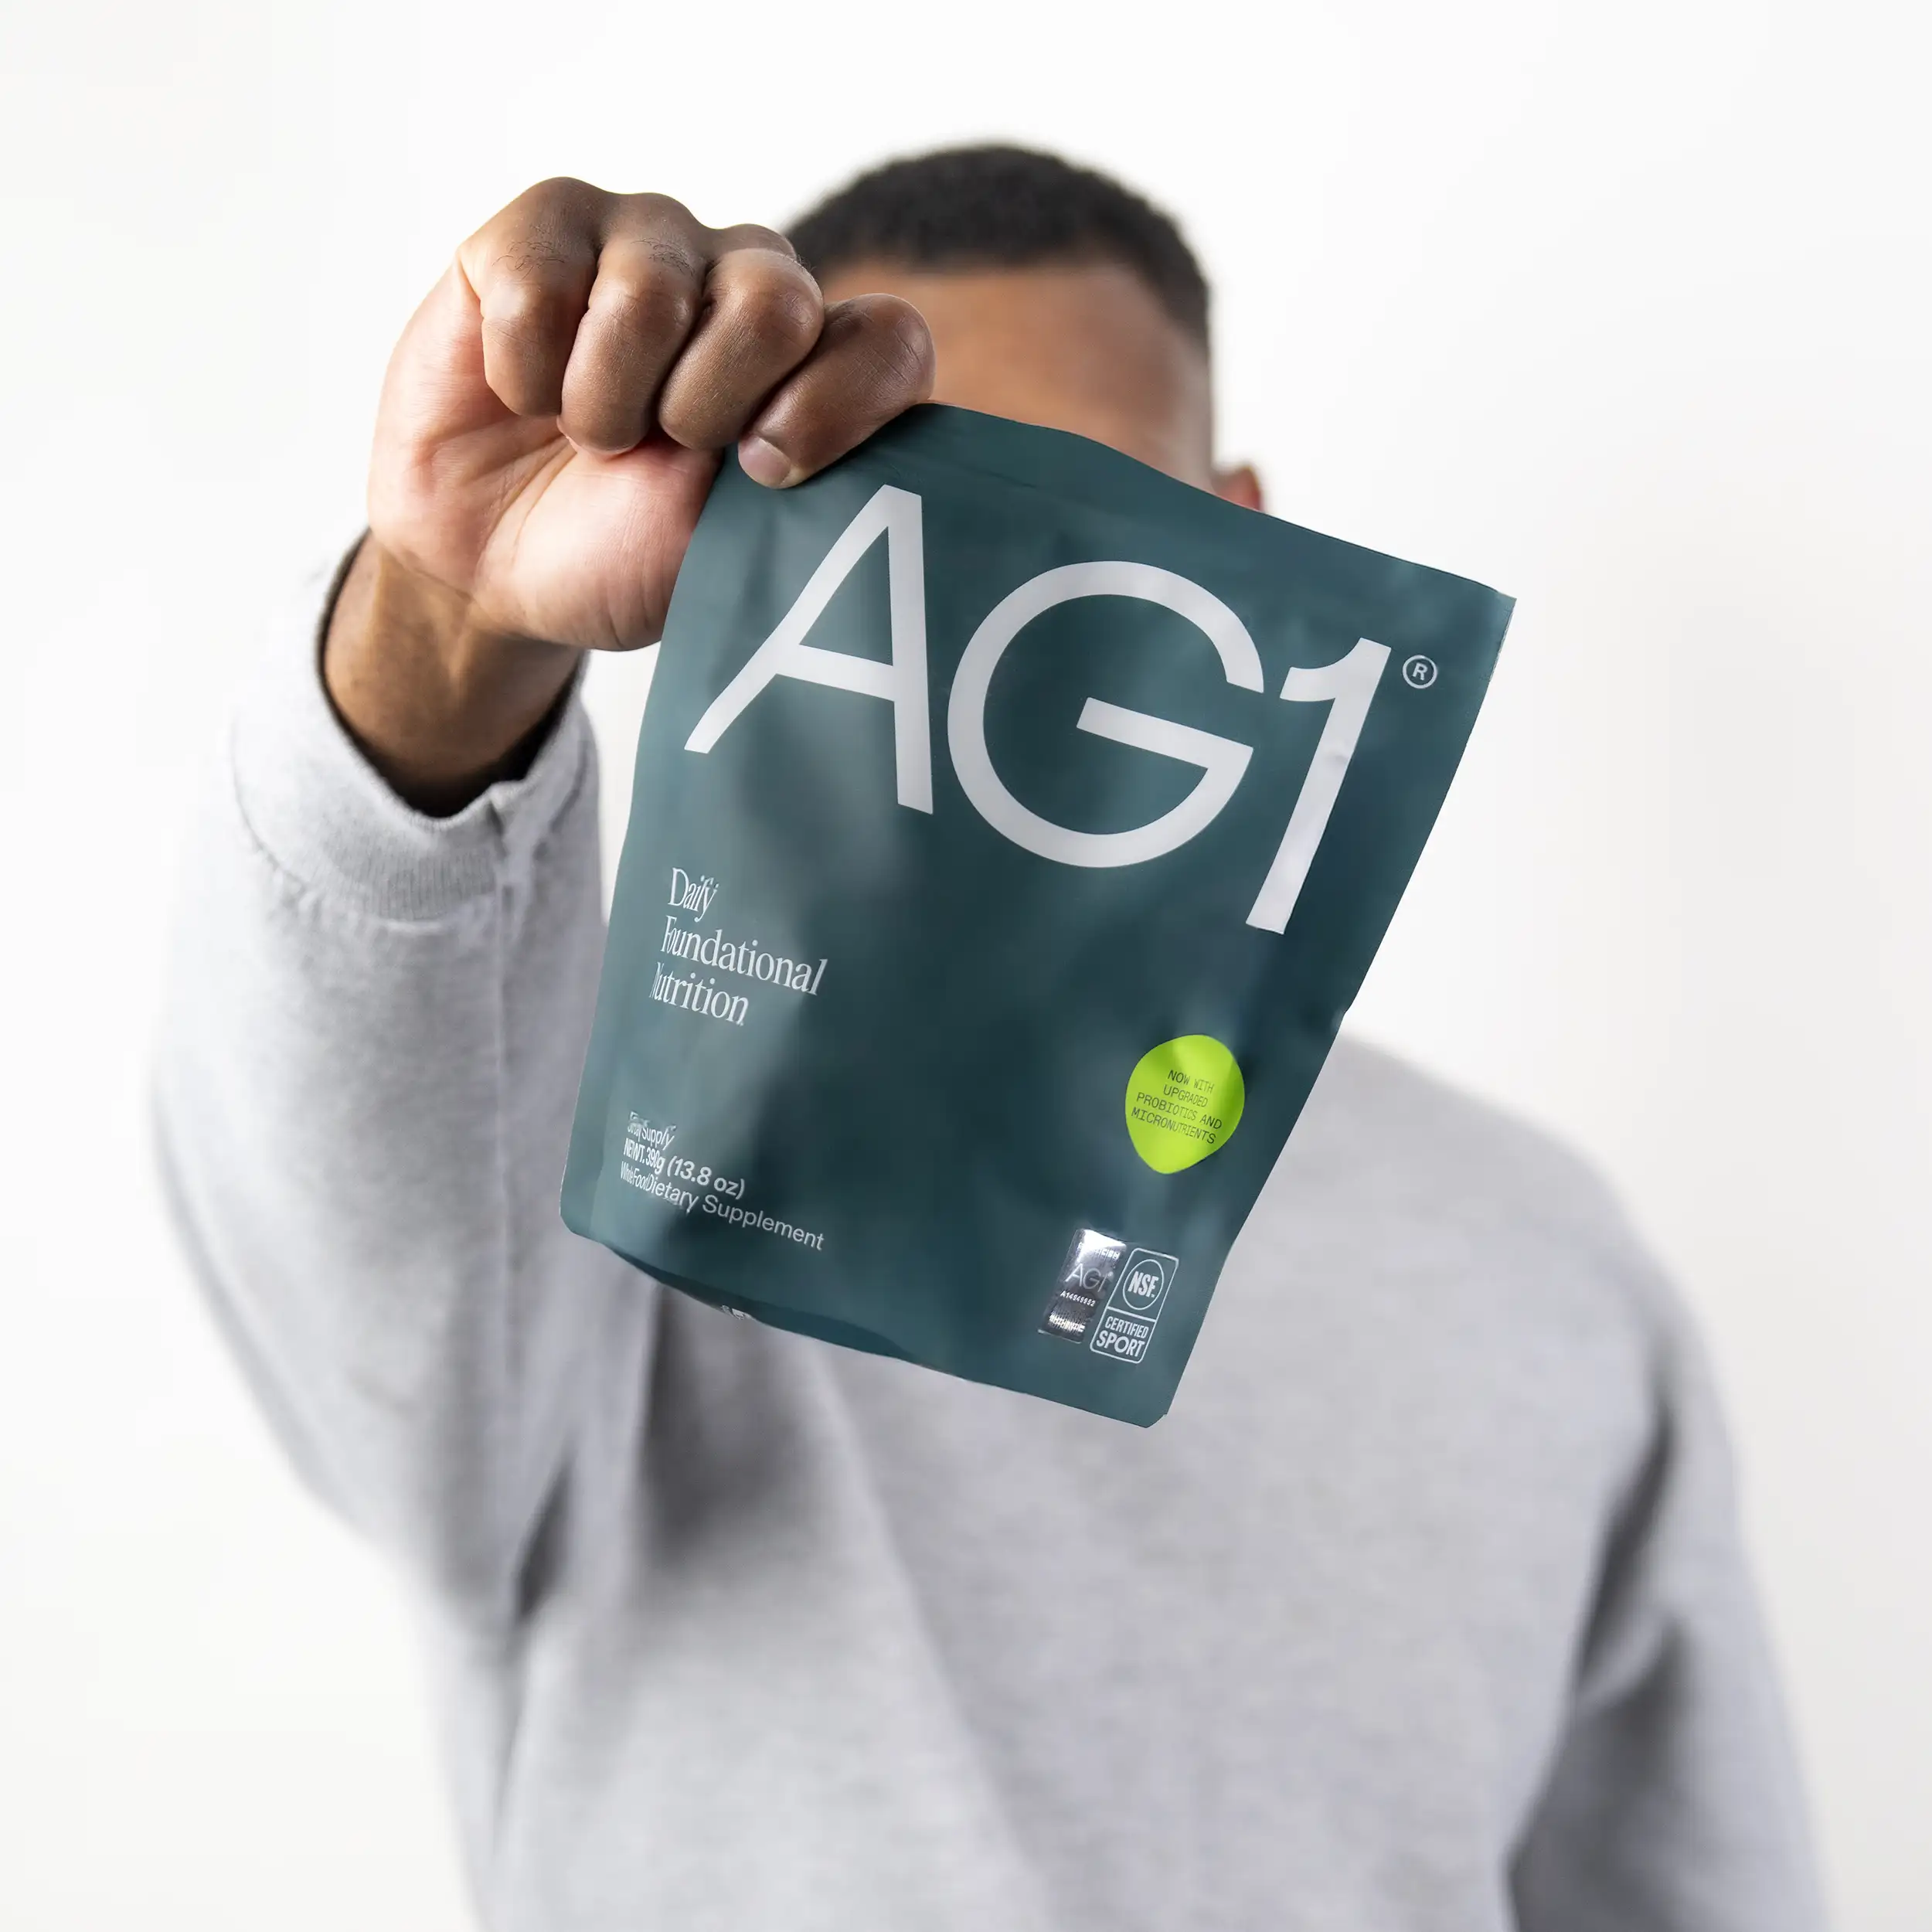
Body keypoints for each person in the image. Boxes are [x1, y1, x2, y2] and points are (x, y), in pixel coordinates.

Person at [155, 146, 1825, 1931]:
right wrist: (452, 615)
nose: (1002, 628)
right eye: (913, 511)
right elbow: (366, 1260)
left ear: (1241, 544)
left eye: (1098, 527)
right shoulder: (595, 1159)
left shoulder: (1540, 1262)